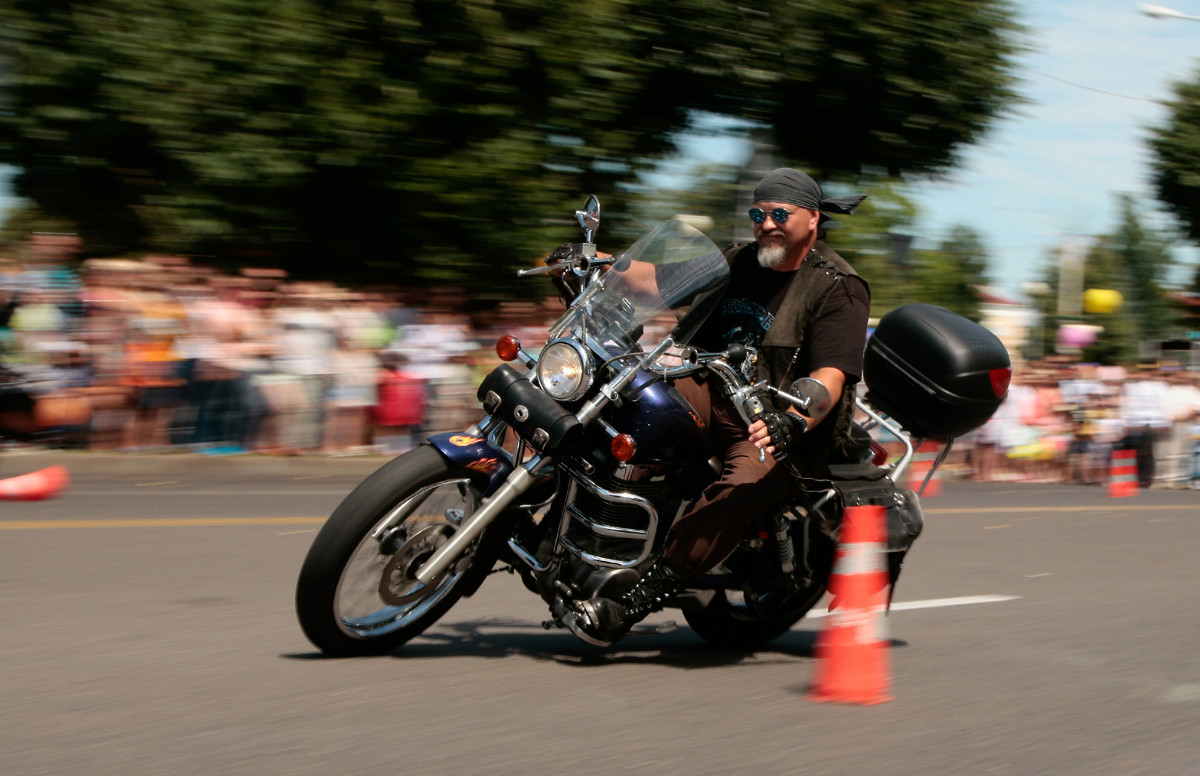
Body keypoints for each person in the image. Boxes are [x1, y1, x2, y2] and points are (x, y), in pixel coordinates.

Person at [563, 167, 871, 646]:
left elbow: (830, 375)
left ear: (812, 219)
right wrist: (594, 262)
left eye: (778, 214)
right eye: (757, 213)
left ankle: (637, 597)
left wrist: (793, 420)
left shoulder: (837, 287)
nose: (765, 223)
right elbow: (654, 280)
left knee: (746, 482)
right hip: (706, 389)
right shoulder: (737, 261)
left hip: (769, 420)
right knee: (618, 393)